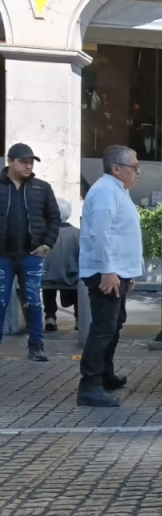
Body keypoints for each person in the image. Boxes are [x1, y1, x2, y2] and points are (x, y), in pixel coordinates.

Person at [78, 146, 144, 408]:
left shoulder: (118, 191)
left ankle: (105, 374)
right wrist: (108, 271)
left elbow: (123, 233)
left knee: (113, 325)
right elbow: (100, 234)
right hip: (105, 272)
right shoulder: (106, 191)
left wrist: (130, 271)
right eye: (134, 167)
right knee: (103, 328)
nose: (138, 172)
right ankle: (90, 385)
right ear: (116, 169)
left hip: (118, 271)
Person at [0, 143, 61, 362]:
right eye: (23, 161)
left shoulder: (41, 188)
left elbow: (54, 219)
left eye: (31, 162)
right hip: (3, 257)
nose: (28, 166)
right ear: (10, 161)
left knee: (34, 301)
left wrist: (47, 244)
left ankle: (36, 345)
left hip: (32, 255)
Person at [42, 197, 80, 332]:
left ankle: (50, 317)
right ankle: (79, 318)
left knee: (47, 285)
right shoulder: (78, 234)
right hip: (72, 278)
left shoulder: (43, 234)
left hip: (47, 278)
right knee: (79, 284)